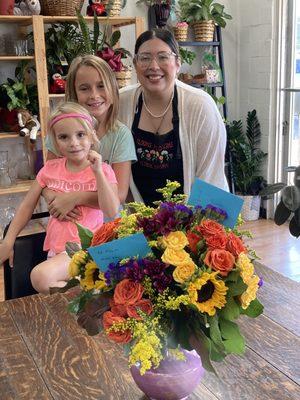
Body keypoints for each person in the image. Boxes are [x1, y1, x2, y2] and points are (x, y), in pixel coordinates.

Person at [0, 102, 120, 294]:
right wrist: (8, 240)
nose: (73, 143)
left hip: (89, 250)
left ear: (92, 136)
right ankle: (93, 295)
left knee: (40, 276)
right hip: (57, 254)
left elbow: (112, 210)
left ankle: (93, 294)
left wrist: (98, 172)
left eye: (80, 135)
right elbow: (26, 207)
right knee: (49, 285)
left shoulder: (103, 169)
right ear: (55, 142)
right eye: (64, 137)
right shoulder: (49, 170)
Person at [118, 29, 229, 205]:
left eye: (163, 57)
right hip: (138, 219)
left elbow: (211, 177)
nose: (154, 66)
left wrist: (189, 230)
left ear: (177, 63)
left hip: (198, 214)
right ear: (135, 64)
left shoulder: (200, 105)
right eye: (145, 58)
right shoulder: (121, 102)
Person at [44, 55, 136, 220]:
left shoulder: (121, 135)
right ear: (74, 93)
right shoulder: (59, 131)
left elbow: (120, 195)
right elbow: (45, 181)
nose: (94, 95)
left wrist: (75, 198)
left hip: (108, 232)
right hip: (67, 227)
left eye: (101, 86)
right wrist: (55, 200)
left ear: (113, 89)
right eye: (84, 88)